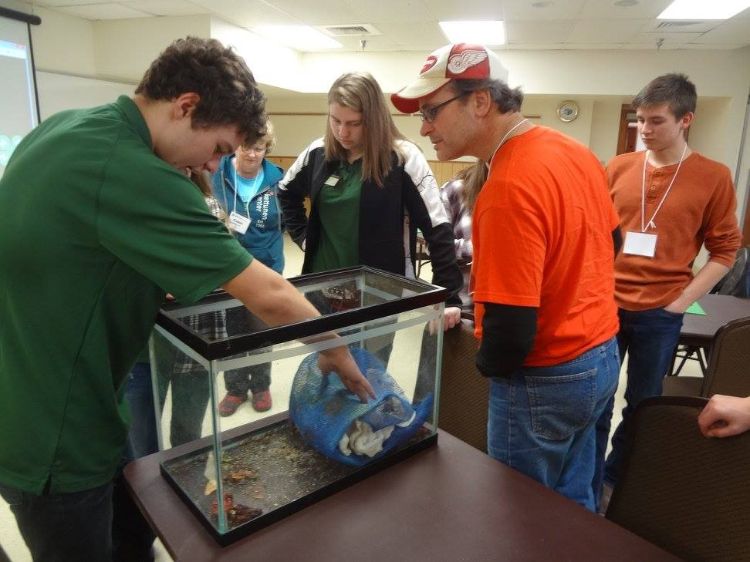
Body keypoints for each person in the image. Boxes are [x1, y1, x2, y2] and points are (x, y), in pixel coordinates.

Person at [0, 37, 373, 562]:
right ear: (186, 106)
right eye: (219, 147)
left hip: (36, 407)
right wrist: (336, 349)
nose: (214, 163)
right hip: (60, 439)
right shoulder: (133, 170)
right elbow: (266, 290)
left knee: (133, 540)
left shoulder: (65, 127)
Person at [391, 43, 621, 512]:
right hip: (600, 356)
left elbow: (511, 335)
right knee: (574, 501)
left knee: (517, 513)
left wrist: (479, 365)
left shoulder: (508, 187)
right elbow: (610, 243)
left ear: (480, 101)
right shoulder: (572, 151)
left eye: (432, 110)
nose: (424, 127)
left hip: (545, 377)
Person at [598, 73, 742, 493]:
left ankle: (617, 478)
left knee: (642, 403)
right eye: (640, 120)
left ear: (686, 120)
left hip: (661, 312)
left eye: (656, 121)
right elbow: (594, 236)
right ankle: (587, 477)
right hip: (607, 305)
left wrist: (681, 301)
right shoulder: (619, 167)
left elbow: (724, 253)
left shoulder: (713, 176)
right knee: (596, 397)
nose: (644, 130)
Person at [278, 71, 464, 347]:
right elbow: (285, 192)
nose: (343, 132)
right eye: (335, 121)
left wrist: (447, 296)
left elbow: (437, 228)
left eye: (354, 123)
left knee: (368, 375)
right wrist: (305, 238)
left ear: (374, 119)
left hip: (377, 293)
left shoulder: (402, 156)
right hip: (322, 288)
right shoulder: (317, 152)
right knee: (325, 369)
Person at [212, 121, 284, 416]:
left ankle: (261, 386)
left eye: (259, 148)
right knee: (233, 330)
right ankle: (236, 387)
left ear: (267, 149)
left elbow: (289, 217)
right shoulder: (216, 173)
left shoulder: (278, 179)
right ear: (236, 144)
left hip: (265, 266)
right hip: (228, 266)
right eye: (246, 146)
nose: (252, 154)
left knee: (260, 328)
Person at [439, 161, 486, 313]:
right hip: (459, 309)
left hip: (501, 312)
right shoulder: (456, 190)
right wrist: (475, 249)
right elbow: (435, 245)